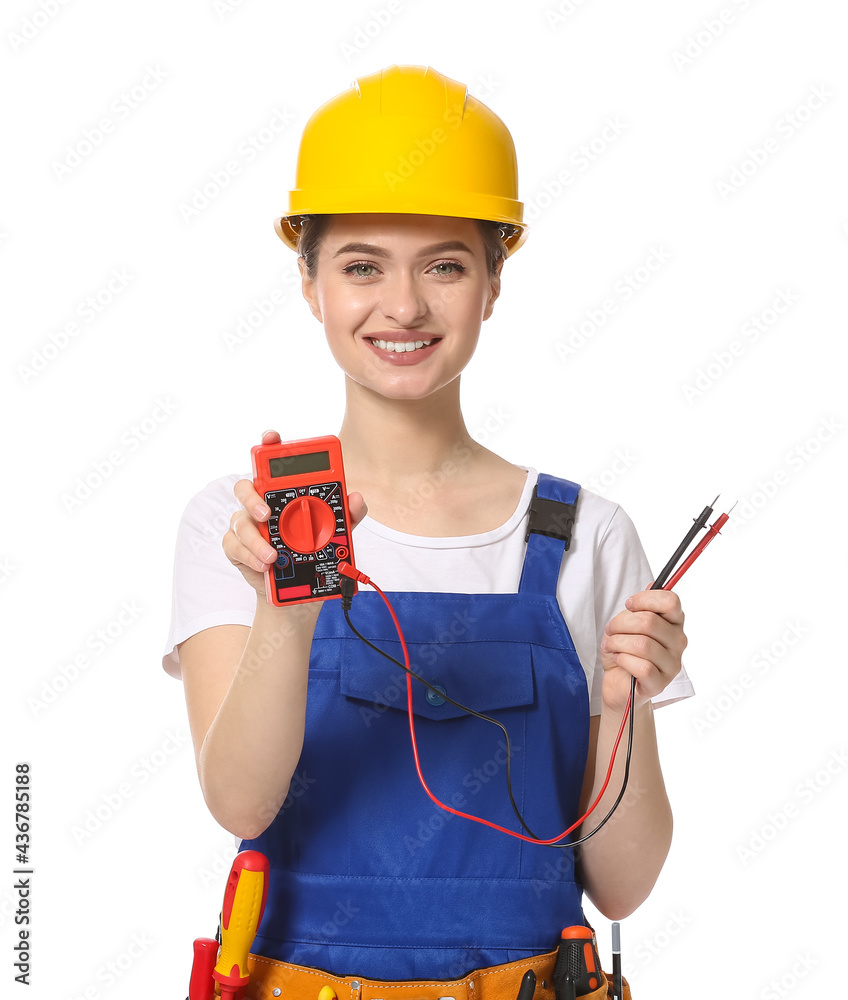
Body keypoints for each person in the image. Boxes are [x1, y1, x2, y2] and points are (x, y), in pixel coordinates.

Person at [164, 65, 693, 997]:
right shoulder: (240, 523)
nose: (403, 306)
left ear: (494, 281)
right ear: (309, 283)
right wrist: (285, 609)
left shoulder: (585, 535)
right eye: (361, 265)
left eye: (444, 264)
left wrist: (624, 703)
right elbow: (241, 804)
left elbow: (622, 886)